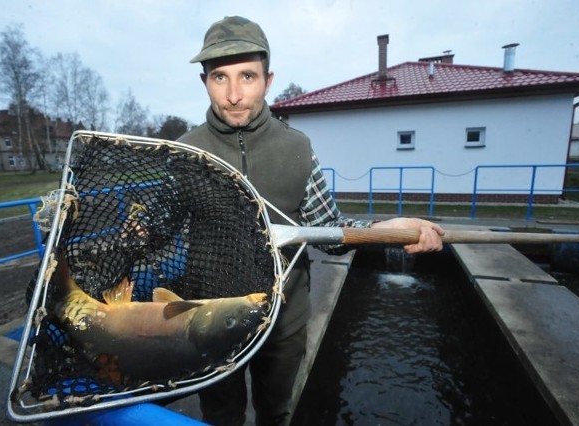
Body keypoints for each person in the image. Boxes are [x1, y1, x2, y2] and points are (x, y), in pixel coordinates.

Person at [177, 15, 445, 426]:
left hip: (285, 320)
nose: (233, 94)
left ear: (268, 80)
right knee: (221, 417)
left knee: (276, 413)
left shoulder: (297, 147)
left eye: (247, 76)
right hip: (213, 325)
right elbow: (158, 232)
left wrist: (392, 228)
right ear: (205, 82)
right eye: (220, 77)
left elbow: (330, 231)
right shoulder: (181, 152)